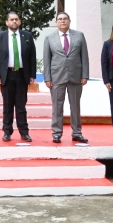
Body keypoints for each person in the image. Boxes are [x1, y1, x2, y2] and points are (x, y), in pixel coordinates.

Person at [43, 12, 89, 144]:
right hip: (57, 77)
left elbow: (84, 57)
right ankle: (57, 133)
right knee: (57, 106)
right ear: (56, 22)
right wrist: (47, 78)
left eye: (65, 19)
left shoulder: (79, 36)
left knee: (75, 106)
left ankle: (77, 132)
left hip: (75, 76)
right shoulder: (49, 38)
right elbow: (47, 59)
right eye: (60, 19)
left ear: (69, 21)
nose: (63, 21)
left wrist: (85, 75)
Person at [0, 11, 37, 142]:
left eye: (16, 19)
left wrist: (32, 75)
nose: (14, 22)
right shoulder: (0, 36)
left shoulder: (27, 35)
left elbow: (32, 57)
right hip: (6, 75)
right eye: (11, 19)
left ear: (20, 21)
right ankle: (7, 131)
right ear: (7, 22)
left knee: (21, 106)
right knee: (7, 105)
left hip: (22, 75)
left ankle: (24, 132)